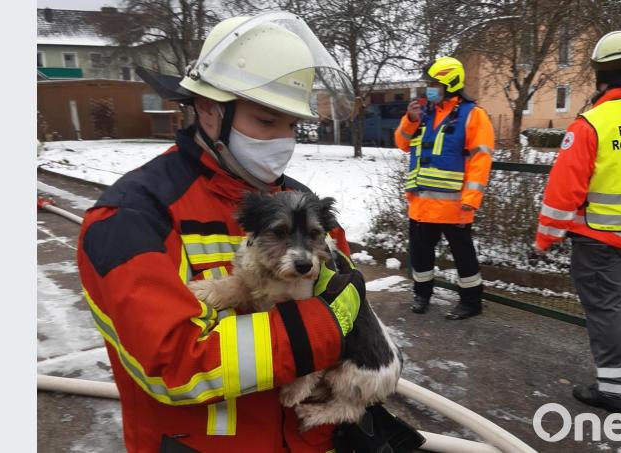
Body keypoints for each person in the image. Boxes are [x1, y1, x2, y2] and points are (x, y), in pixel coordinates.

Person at [77, 12, 420, 453]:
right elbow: (171, 362)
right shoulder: (131, 218)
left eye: (291, 126)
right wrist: (318, 328)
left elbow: (347, 294)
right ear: (208, 108)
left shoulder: (303, 204)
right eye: (265, 121)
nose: (282, 141)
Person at [534, 31, 621, 413]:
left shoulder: (591, 124)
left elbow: (563, 193)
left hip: (599, 240)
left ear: (601, 74)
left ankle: (612, 389)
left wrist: (546, 238)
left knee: (607, 310)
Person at [394, 56, 495, 320]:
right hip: (421, 203)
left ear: (450, 84)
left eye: (434, 83)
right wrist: (409, 119)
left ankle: (472, 302)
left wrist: (472, 198)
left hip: (455, 205)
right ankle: (422, 294)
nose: (429, 88)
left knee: (464, 258)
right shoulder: (423, 114)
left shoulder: (473, 115)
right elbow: (402, 143)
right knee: (420, 256)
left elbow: (481, 158)